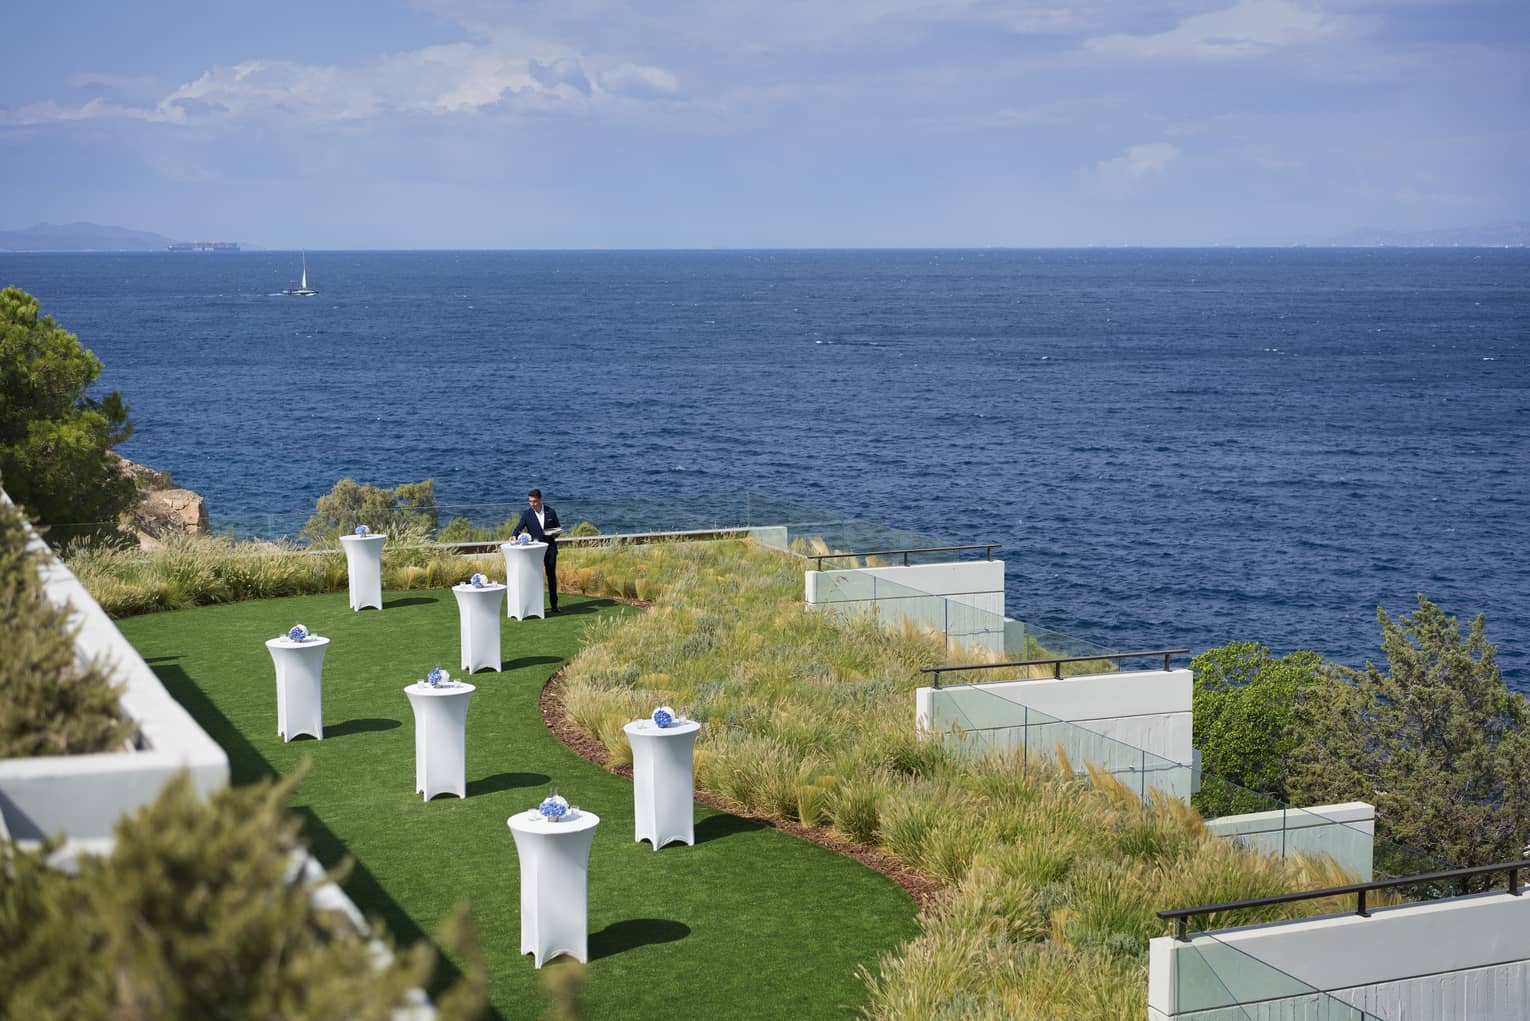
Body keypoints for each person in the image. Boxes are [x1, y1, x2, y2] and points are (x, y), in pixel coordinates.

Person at [511, 488, 561, 614]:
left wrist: (554, 533)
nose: (532, 504)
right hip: (535, 551)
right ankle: (536, 606)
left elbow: (557, 528)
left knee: (551, 577)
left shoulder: (551, 512)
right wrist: (514, 535)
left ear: (540, 499)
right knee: (534, 578)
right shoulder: (527, 514)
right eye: (530, 501)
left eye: (534, 501)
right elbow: (519, 527)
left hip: (550, 549)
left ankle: (554, 605)